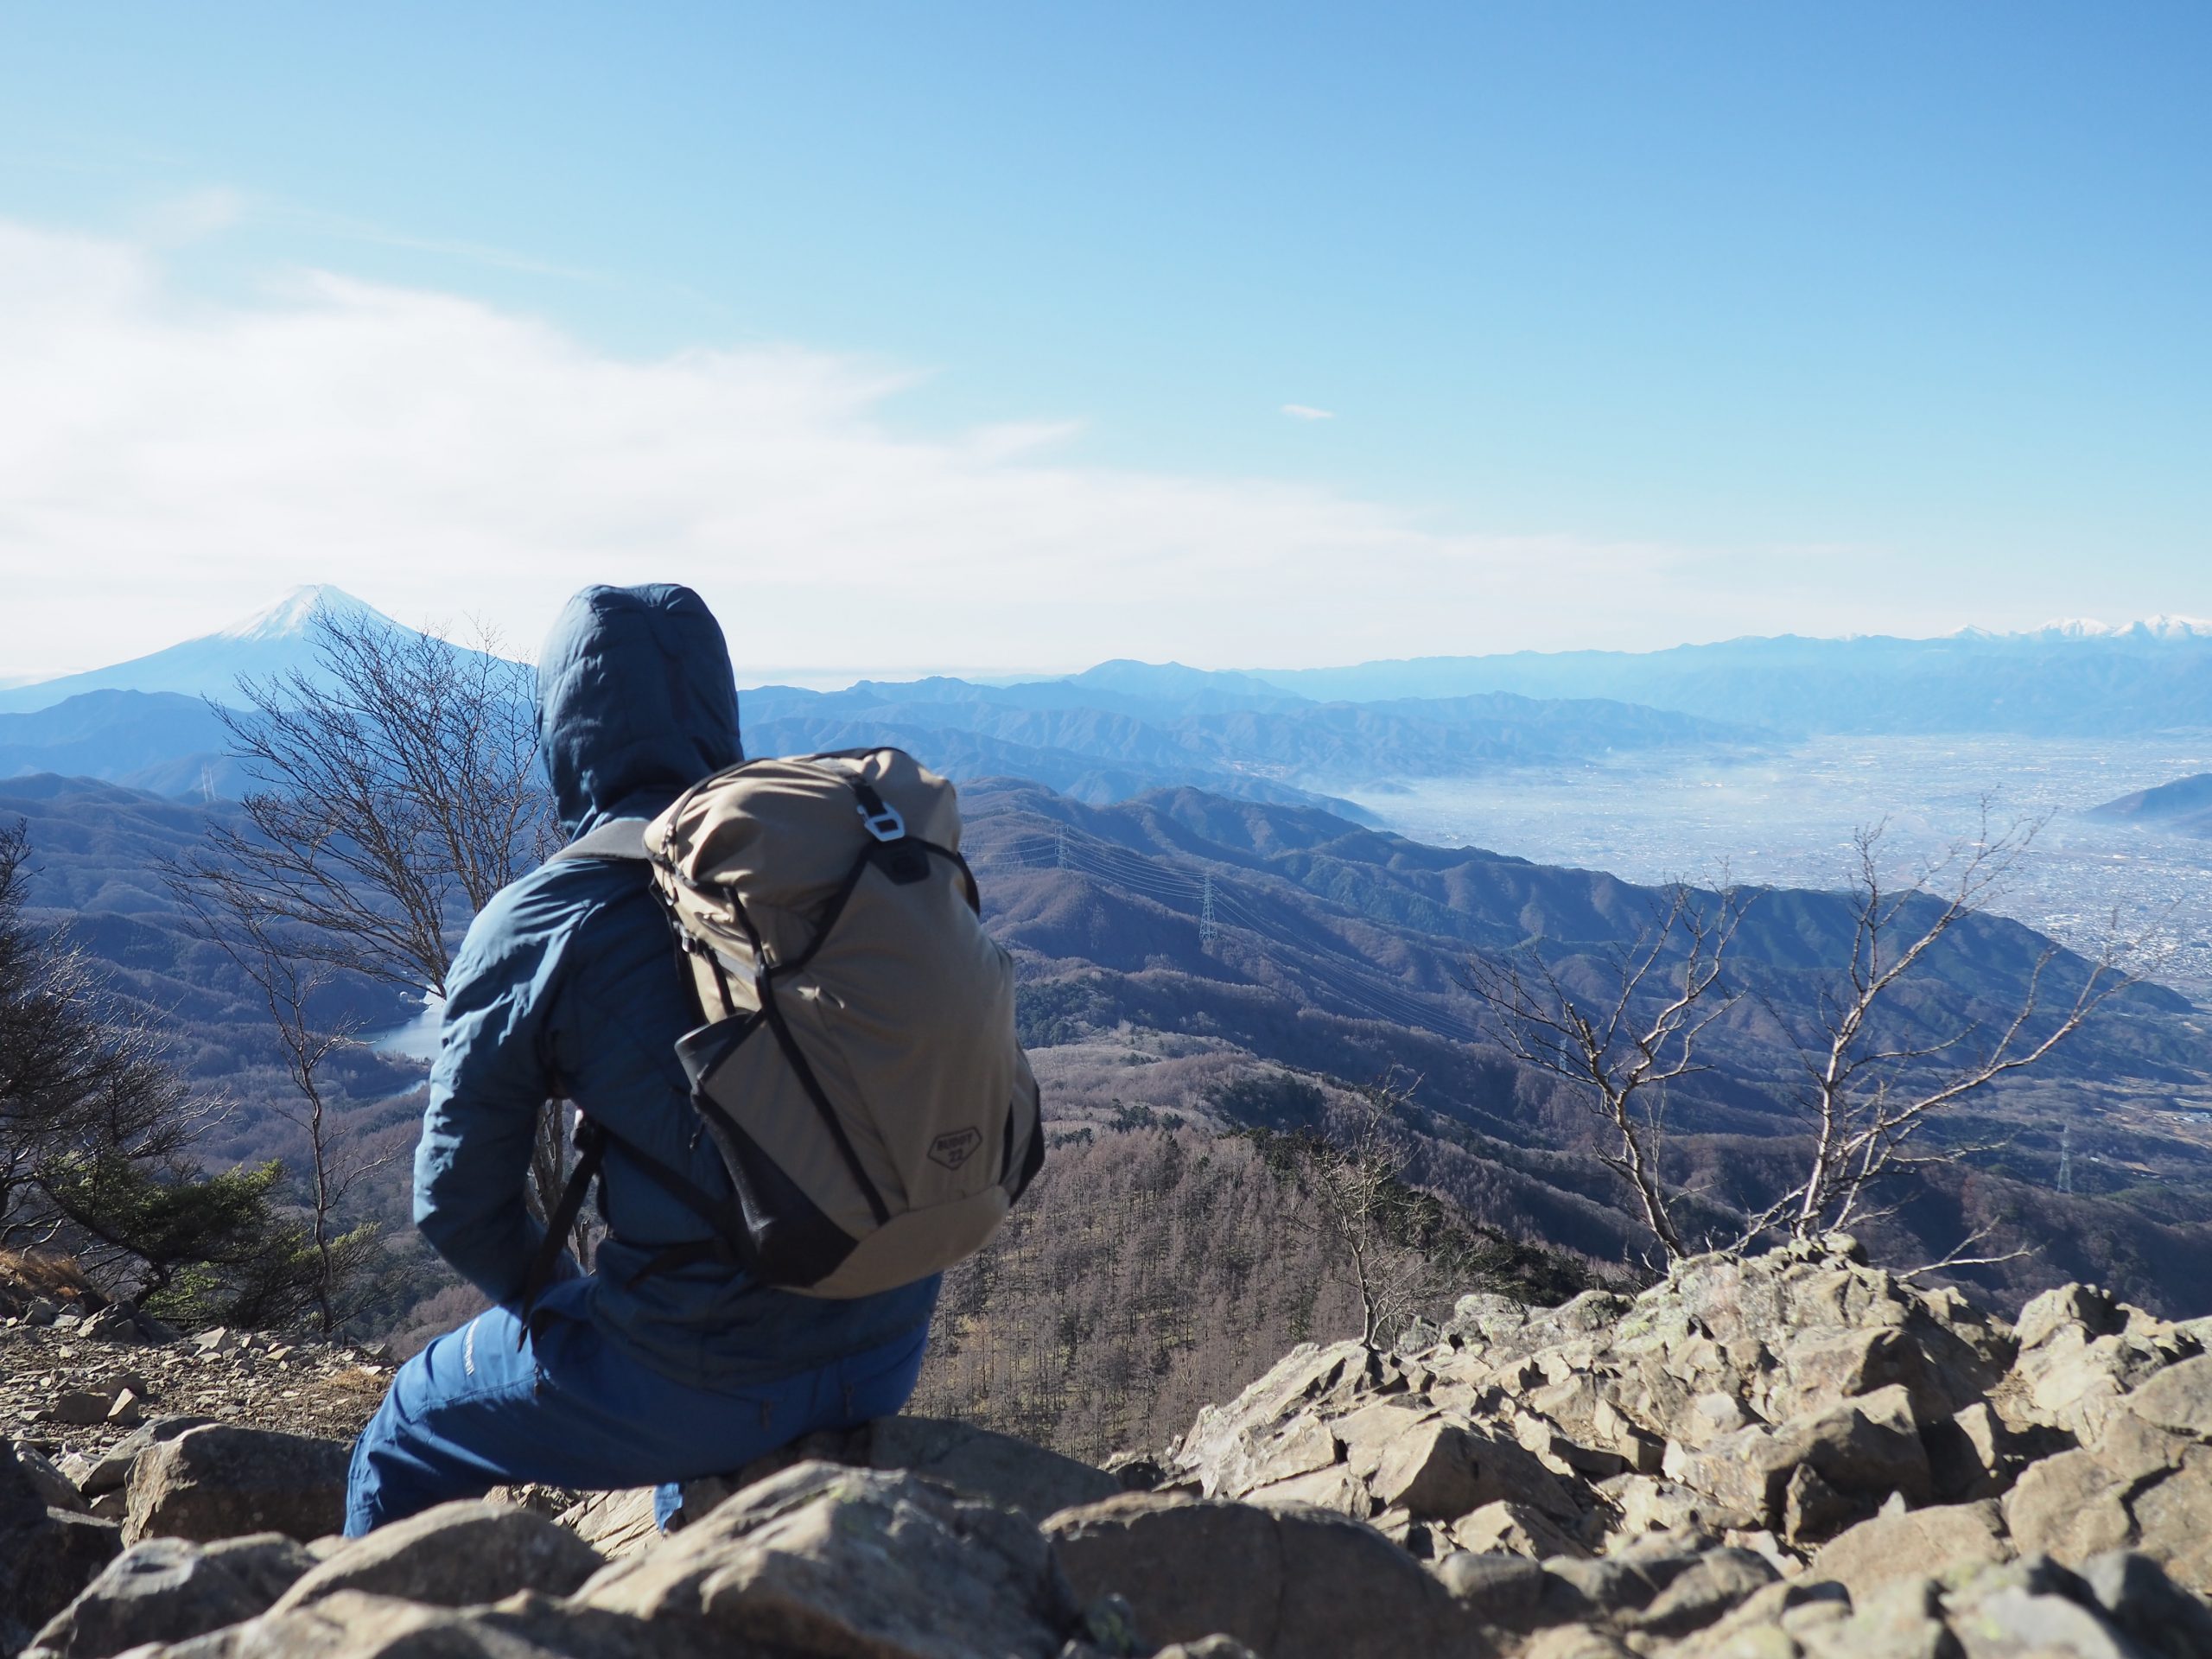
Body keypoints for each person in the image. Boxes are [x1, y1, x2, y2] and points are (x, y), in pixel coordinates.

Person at [345, 582, 939, 1536]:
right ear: (720, 709)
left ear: (565, 732)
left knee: (407, 1425)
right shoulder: (821, 861)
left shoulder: (548, 919)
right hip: (886, 1332)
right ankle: (694, 1562)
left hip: (704, 1377)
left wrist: (562, 1307)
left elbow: (454, 1199)